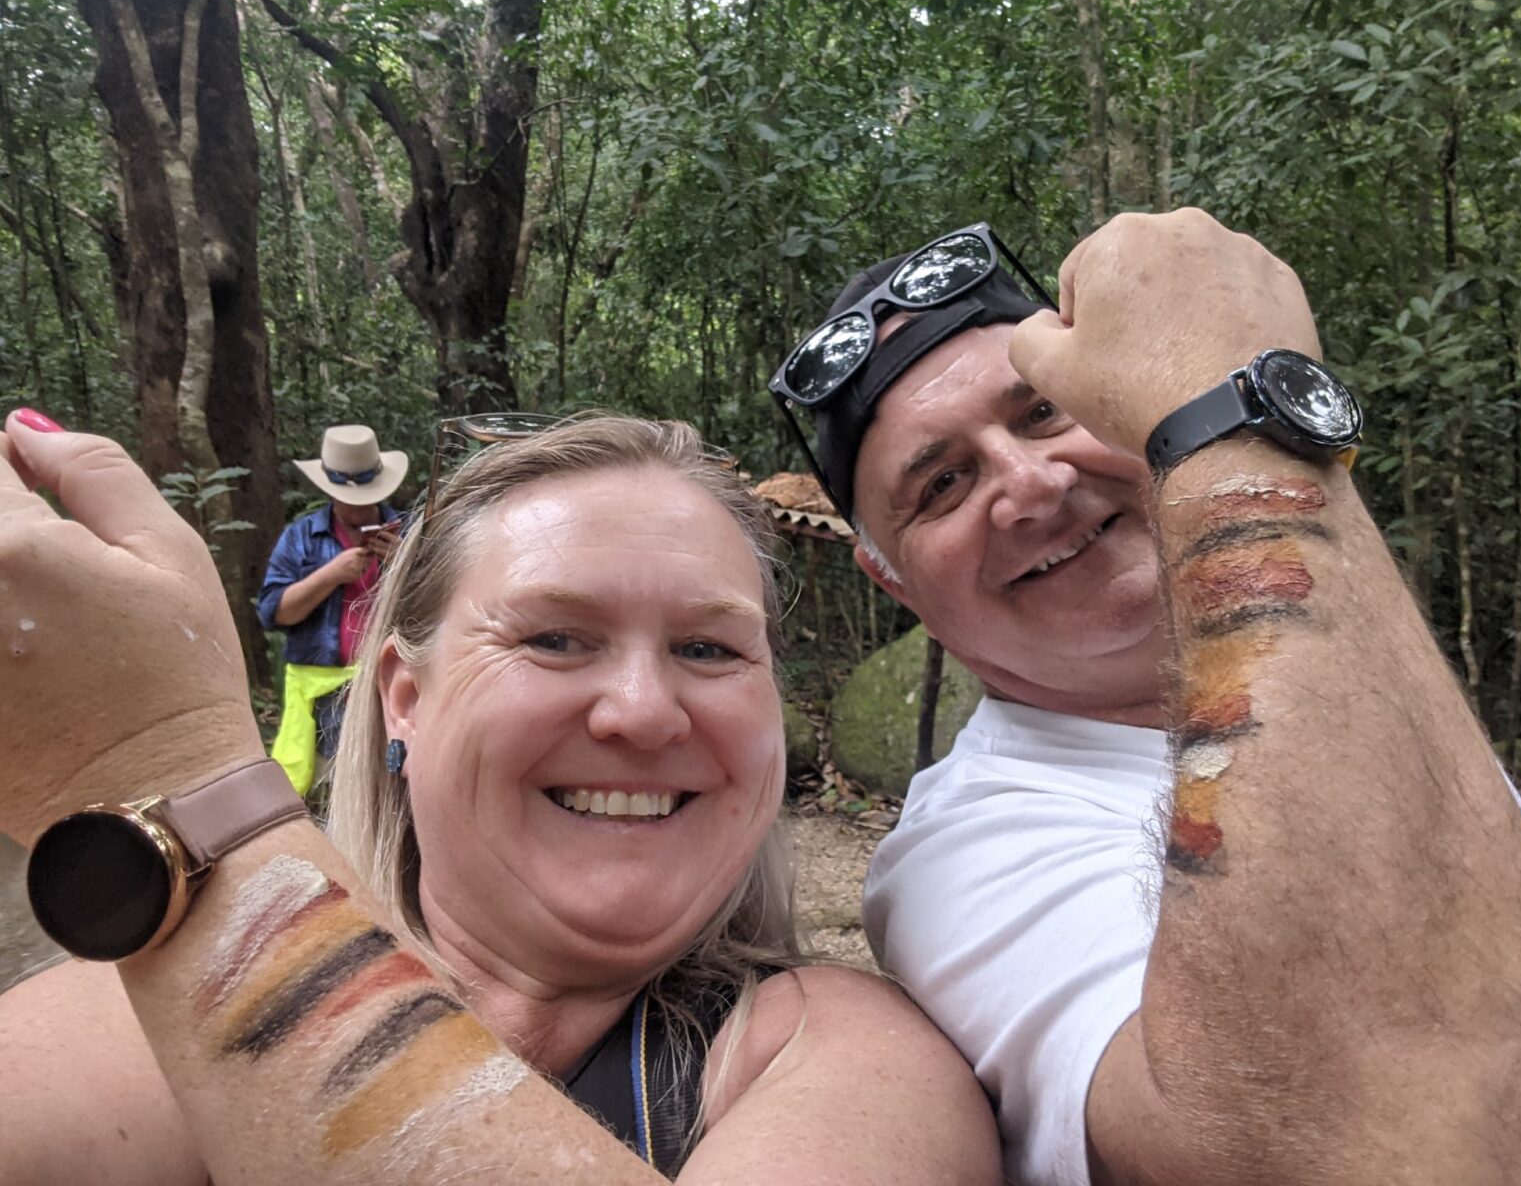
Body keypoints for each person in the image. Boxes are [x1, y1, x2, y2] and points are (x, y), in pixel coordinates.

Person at [767, 211, 1521, 1185]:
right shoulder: (969, 858)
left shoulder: (1350, 667)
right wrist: (1246, 425)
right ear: (894, 583)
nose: (1030, 485)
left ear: (1131, 408)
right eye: (943, 484)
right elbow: (1388, 1145)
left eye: (1043, 412)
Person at [0, 413, 998, 1185]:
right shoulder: (145, 1019)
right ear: (402, 698)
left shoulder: (846, 1055)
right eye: (555, 637)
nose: (645, 713)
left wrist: (164, 768)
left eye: (708, 648)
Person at [259, 423, 408, 794]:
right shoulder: (302, 537)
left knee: (390, 783)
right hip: (324, 687)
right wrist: (330, 575)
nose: (357, 503)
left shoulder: (408, 533)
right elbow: (275, 613)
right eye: (347, 495)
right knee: (344, 784)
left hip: (392, 680)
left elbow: (439, 610)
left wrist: (406, 564)